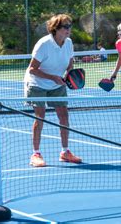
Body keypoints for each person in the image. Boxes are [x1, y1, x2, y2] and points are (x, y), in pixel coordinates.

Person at [24, 14, 82, 167]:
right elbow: (32, 69)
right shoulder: (44, 44)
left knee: (64, 116)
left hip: (57, 83)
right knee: (40, 116)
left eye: (70, 26)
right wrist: (52, 77)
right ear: (56, 29)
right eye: (65, 27)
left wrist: (69, 75)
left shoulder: (68, 43)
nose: (69, 30)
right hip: (37, 83)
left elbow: (70, 63)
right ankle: (35, 154)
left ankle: (65, 152)